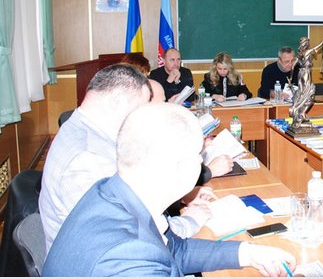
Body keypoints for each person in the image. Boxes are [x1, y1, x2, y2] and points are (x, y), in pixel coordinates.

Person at [42, 103, 296, 277]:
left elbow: (175, 250)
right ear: (182, 168)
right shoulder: (130, 259)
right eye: (198, 155)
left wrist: (248, 253)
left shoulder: (113, 192)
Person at [38, 64, 228, 253]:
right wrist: (191, 220)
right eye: (143, 105)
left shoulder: (82, 128)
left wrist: (178, 195)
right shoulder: (88, 159)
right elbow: (138, 235)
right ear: (118, 101)